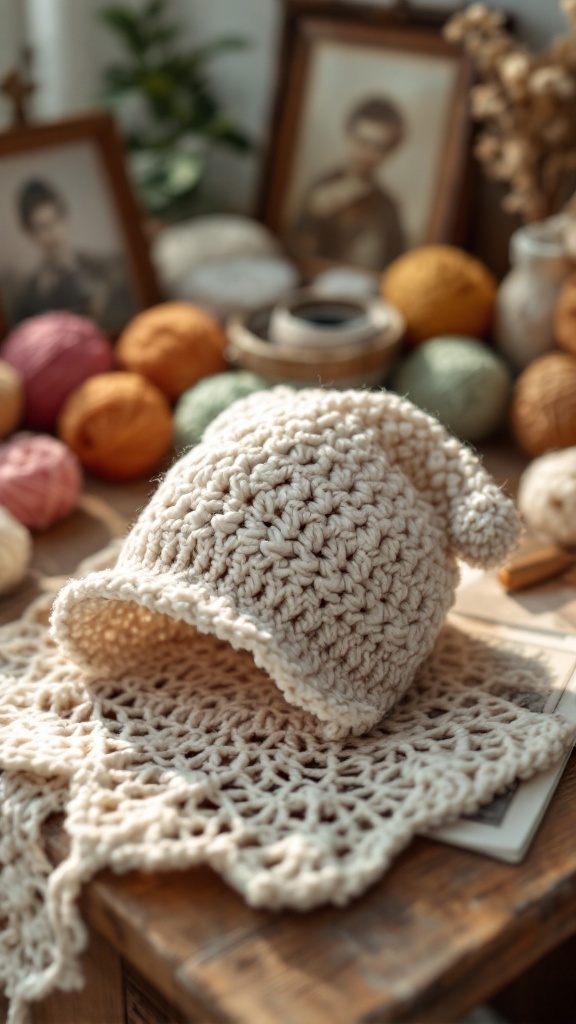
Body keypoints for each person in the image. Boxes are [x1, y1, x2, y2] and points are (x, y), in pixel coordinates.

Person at [291, 96, 407, 271]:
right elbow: (295, 246)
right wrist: (315, 217)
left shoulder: (387, 205)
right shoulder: (322, 188)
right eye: (362, 141)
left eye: (378, 146)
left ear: (389, 151)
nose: (367, 153)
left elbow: (395, 262)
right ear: (349, 136)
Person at [14, 178, 136, 333]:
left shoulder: (104, 268)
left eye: (55, 221)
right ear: (30, 233)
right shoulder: (29, 294)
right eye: (41, 227)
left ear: (64, 218)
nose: (52, 233)